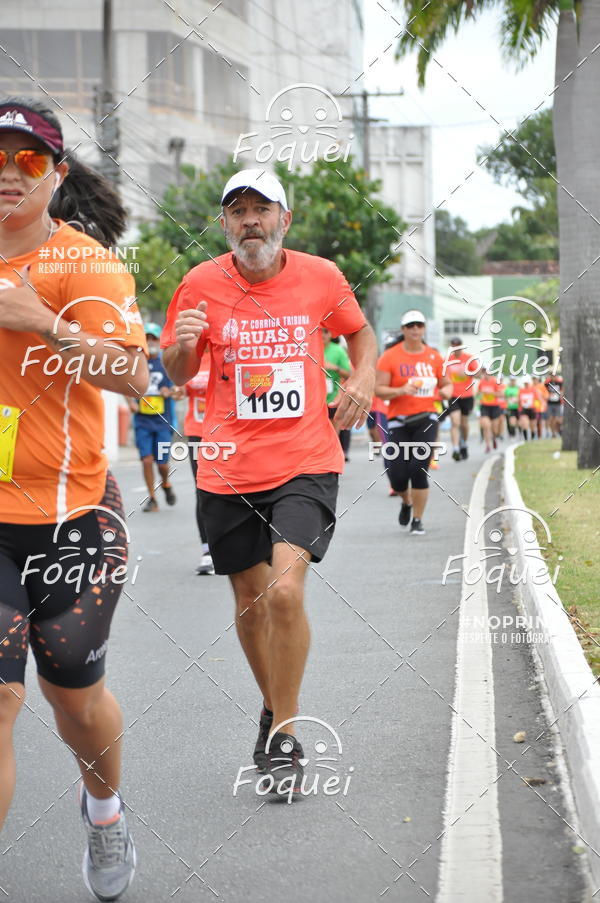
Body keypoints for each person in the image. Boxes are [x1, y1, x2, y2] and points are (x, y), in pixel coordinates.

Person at [161, 168, 376, 794]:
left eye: (262, 209)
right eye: (238, 211)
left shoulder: (321, 276)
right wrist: (181, 344)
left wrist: (362, 377)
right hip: (226, 464)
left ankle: (285, 729)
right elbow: (177, 371)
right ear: (224, 223)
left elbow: (359, 333)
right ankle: (272, 704)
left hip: (306, 457)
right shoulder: (201, 283)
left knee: (285, 591)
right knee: (250, 602)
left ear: (285, 217)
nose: (250, 220)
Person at [0, 98, 147, 900]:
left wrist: (39, 319)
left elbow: (133, 375)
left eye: (26, 158)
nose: (6, 172)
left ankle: (104, 808)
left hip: (72, 521)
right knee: (0, 698)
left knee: (75, 699)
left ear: (56, 173)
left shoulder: (82, 263)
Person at [375, 310, 452, 535]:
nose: (415, 329)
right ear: (403, 330)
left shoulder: (434, 357)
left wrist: (445, 392)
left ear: (424, 328)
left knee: (418, 470)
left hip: (426, 418)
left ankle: (417, 520)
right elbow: (378, 389)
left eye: (419, 325)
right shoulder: (389, 356)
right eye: (410, 326)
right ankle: (406, 501)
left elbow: (446, 383)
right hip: (398, 421)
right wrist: (400, 390)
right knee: (397, 476)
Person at [128, 323, 177, 512]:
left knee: (162, 464)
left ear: (158, 340)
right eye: (146, 339)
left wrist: (170, 391)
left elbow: (180, 388)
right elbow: (126, 382)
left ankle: (165, 484)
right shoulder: (137, 362)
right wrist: (130, 401)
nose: (150, 342)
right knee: (146, 460)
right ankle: (152, 498)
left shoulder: (167, 363)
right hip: (142, 421)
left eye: (153, 339)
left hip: (163, 422)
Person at [183, 350, 214, 575]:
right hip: (196, 432)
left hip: (225, 433)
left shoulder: (225, 351)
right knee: (201, 490)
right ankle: (207, 551)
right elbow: (179, 387)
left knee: (230, 489)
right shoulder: (192, 356)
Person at [443, 336, 478, 461]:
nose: (456, 348)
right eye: (454, 346)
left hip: (467, 396)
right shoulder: (447, 360)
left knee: (464, 423)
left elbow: (479, 374)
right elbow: (443, 377)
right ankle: (456, 449)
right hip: (453, 395)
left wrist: (468, 373)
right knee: (455, 421)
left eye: (458, 346)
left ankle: (464, 443)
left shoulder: (469, 358)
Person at [323, 327, 352, 461]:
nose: (323, 335)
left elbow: (350, 375)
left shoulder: (338, 350)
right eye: (319, 331)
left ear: (331, 334)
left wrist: (335, 368)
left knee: (333, 434)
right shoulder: (308, 348)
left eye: (326, 331)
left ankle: (333, 461)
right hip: (313, 400)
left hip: (333, 398)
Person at [477, 367, 503, 452]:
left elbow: (501, 394)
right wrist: (478, 395)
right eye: (484, 372)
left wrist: (491, 393)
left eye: (487, 372)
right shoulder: (481, 382)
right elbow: (478, 393)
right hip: (484, 406)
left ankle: (494, 438)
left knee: (494, 429)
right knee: (486, 426)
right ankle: (488, 445)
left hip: (495, 407)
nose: (486, 374)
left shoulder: (495, 381)